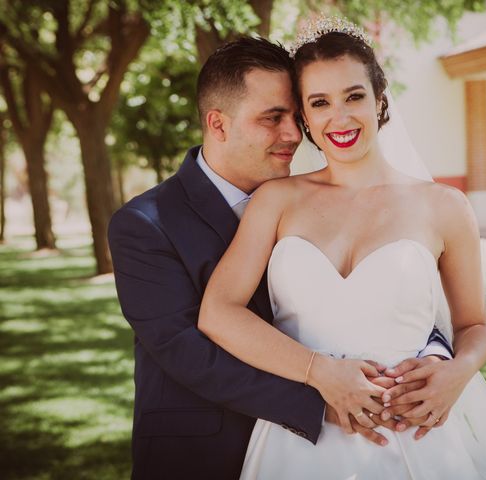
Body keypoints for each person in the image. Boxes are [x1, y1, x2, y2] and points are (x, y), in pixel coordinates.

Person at [197, 18, 486, 479]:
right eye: (319, 103)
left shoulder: (443, 206)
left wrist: (457, 374)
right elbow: (218, 312)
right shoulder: (276, 201)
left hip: (417, 437)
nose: (339, 118)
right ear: (304, 116)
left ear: (380, 100)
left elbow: (474, 325)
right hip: (300, 438)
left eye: (354, 96)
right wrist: (318, 372)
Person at [108, 36, 451, 480]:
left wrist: (434, 358)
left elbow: (388, 297)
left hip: (344, 440)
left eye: (296, 115)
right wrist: (321, 392)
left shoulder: (310, 201)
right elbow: (189, 354)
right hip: (204, 453)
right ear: (218, 124)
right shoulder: (145, 223)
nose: (294, 133)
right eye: (273, 118)